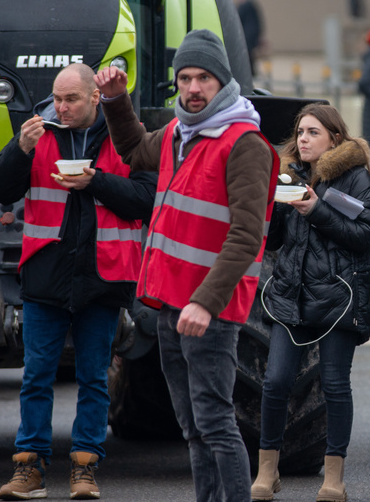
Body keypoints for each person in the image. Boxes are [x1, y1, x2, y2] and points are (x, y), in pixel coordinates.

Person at [93, 29, 279, 502]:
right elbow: (135, 151)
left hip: (207, 312)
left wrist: (204, 303)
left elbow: (246, 236)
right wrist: (116, 101)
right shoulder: (181, 133)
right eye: (185, 78)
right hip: (171, 305)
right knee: (192, 427)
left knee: (215, 423)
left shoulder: (245, 144)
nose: (193, 88)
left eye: (204, 79)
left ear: (223, 83)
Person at [0, 63, 156, 501]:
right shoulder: (38, 133)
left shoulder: (126, 136)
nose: (60, 108)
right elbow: (1, 187)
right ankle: (28, 468)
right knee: (37, 376)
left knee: (93, 378)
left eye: (70, 100)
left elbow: (146, 199)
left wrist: (95, 182)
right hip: (46, 272)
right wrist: (19, 150)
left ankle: (85, 467)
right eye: (56, 98)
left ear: (94, 99)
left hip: (104, 275)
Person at [252, 103, 370, 502]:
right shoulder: (290, 174)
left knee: (335, 385)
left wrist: (317, 210)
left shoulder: (356, 177)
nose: (303, 139)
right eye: (301, 133)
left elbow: (366, 235)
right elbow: (273, 242)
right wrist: (272, 205)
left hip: (338, 297)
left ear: (334, 139)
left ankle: (334, 477)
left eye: (313, 133)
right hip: (292, 294)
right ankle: (267, 471)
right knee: (274, 383)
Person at [237, 0, 264, 75]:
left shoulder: (245, 6)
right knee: (249, 54)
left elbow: (238, 17)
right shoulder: (253, 6)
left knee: (247, 54)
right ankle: (252, 71)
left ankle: (250, 72)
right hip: (252, 34)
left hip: (247, 35)